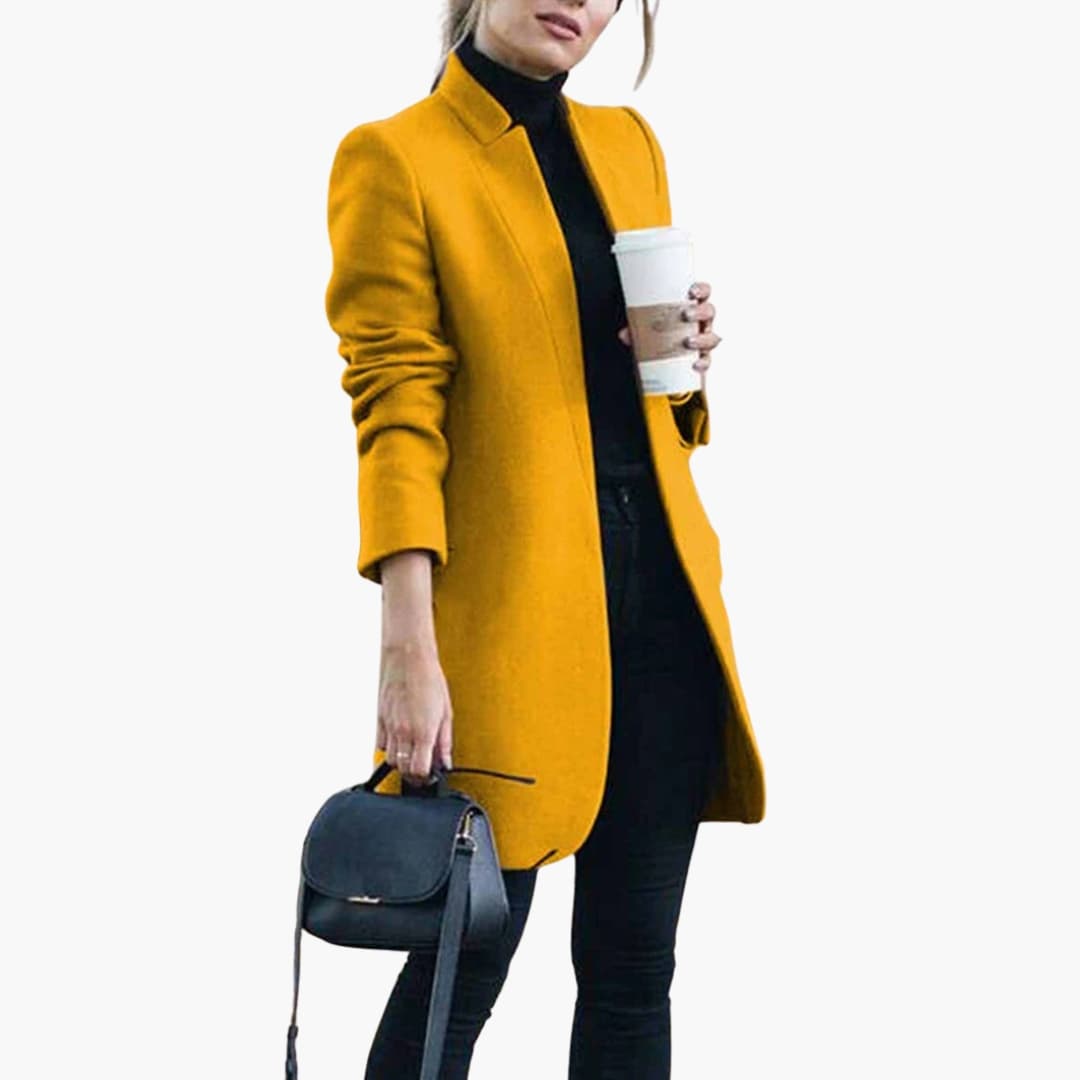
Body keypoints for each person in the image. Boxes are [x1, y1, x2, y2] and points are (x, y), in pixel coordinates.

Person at [323, 1, 767, 1075]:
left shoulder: (629, 144)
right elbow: (396, 411)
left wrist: (685, 365)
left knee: (633, 974)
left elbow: (652, 409)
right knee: (458, 967)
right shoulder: (396, 157)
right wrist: (408, 647)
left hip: (663, 610)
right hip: (511, 623)